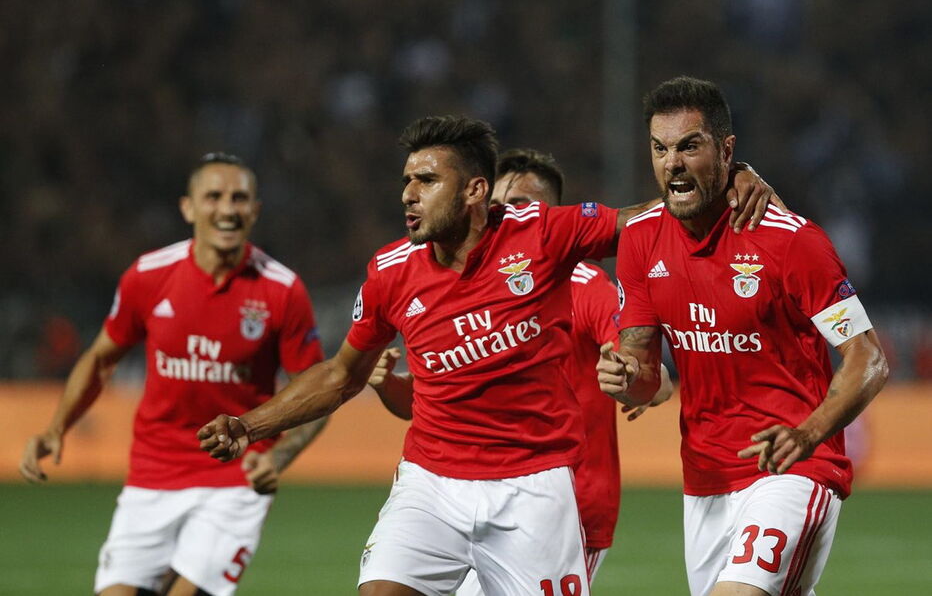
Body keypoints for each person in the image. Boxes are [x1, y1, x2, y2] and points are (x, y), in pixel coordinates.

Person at [197, 115, 775, 596]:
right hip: (432, 482)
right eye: (407, 180)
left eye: (426, 180)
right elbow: (339, 375)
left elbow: (640, 221)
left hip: (536, 488)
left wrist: (726, 181)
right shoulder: (390, 273)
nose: (408, 194)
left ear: (474, 190)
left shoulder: (541, 236)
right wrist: (248, 425)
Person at [597, 77, 888, 596]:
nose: (673, 163)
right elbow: (642, 375)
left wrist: (807, 433)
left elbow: (868, 358)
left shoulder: (791, 241)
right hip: (705, 479)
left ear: (726, 150)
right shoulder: (641, 241)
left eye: (689, 146)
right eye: (660, 149)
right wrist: (624, 379)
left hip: (792, 471)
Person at [365, 147, 675, 594]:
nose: (507, 215)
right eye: (501, 204)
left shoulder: (583, 284)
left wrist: (637, 377)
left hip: (566, 500)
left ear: (551, 215)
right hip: (477, 493)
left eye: (523, 206)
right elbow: (421, 406)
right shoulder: (469, 289)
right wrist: (389, 386)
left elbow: (649, 373)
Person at [20, 152, 328, 596]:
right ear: (188, 207)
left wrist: (278, 456)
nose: (227, 208)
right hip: (153, 472)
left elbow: (317, 392)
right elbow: (101, 358)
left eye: (239, 198)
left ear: (255, 211)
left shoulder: (281, 289)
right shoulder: (148, 276)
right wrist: (56, 427)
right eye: (214, 196)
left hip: (233, 477)